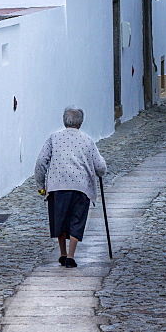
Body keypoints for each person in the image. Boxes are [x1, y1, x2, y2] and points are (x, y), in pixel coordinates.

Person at [34, 107, 107, 268]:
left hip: (57, 186)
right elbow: (100, 167)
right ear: (81, 123)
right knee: (76, 220)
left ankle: (62, 253)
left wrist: (41, 186)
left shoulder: (54, 138)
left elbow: (41, 162)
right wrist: (101, 170)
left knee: (59, 219)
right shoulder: (87, 140)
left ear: (64, 120)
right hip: (81, 187)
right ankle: (71, 257)